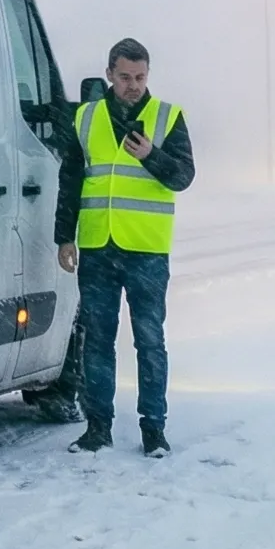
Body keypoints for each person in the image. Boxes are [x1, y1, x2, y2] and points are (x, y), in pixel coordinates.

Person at [62, 37, 194, 455]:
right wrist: (64, 236)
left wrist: (152, 156)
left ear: (147, 75)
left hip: (146, 251)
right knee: (97, 340)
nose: (133, 85)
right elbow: (71, 180)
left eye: (139, 77)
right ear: (109, 75)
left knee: (149, 341)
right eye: (124, 77)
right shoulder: (85, 118)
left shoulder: (167, 118)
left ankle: (153, 430)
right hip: (98, 247)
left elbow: (183, 177)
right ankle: (97, 428)